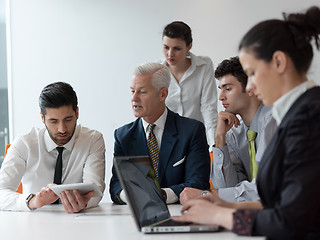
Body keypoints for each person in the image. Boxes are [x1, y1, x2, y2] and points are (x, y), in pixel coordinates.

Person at [173, 6, 320, 239]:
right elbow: (281, 203)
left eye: (252, 73)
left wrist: (217, 216)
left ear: (279, 62)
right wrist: (225, 205)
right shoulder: (297, 115)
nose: (249, 86)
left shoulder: (310, 118)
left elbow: (289, 223)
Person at [109, 62, 210, 205]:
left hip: (181, 214)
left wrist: (161, 195)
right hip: (138, 216)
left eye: (142, 92)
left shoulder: (192, 131)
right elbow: (116, 186)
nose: (134, 98)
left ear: (163, 94)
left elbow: (198, 183)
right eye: (132, 91)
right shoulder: (123, 136)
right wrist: (131, 196)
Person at [180, 57, 277, 204]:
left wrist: (206, 195)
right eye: (221, 89)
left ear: (251, 88)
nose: (221, 97)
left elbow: (266, 189)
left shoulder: (274, 122)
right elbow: (227, 187)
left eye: (228, 89)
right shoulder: (234, 132)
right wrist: (219, 139)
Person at [0, 82, 106, 213]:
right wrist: (33, 201)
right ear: (42, 117)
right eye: (53, 121)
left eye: (68, 119)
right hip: (33, 222)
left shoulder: (93, 140)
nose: (62, 129)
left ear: (77, 112)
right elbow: (1, 192)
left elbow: (95, 189)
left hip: (78, 221)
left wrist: (84, 202)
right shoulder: (24, 143)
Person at [161, 21, 218, 148]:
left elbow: (208, 108)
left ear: (189, 46)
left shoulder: (204, 66)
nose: (170, 54)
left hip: (196, 140)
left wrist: (214, 145)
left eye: (177, 48)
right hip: (166, 142)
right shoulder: (155, 71)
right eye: (166, 47)